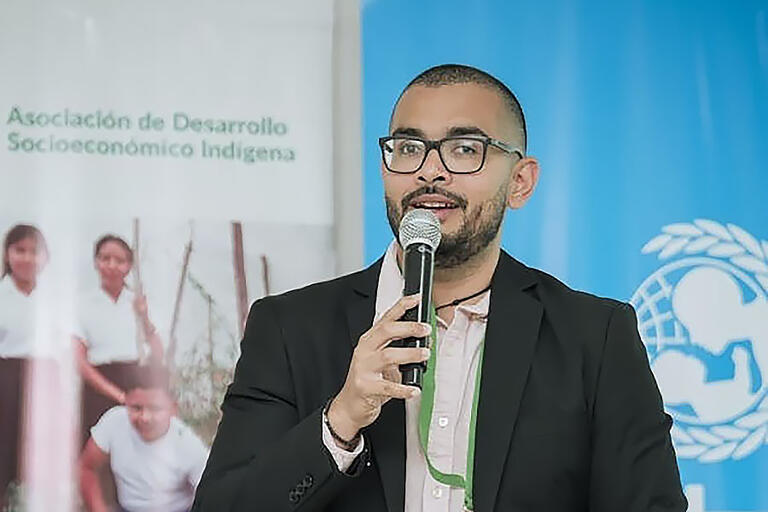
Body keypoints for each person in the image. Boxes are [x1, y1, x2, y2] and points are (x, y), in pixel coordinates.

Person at [192, 64, 687, 511]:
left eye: (465, 149)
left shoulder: (593, 337)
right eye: (408, 148)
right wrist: (340, 421)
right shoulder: (290, 328)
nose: (430, 170)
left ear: (520, 182)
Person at [80, 366, 209, 512]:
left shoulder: (190, 447)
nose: (145, 417)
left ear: (173, 409)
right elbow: (87, 467)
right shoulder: (114, 421)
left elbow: (212, 499)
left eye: (155, 408)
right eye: (136, 408)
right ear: (126, 402)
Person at [75, 234, 164, 442]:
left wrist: (144, 317)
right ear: (96, 262)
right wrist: (117, 395)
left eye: (120, 260)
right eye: (105, 259)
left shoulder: (139, 302)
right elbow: (79, 360)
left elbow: (158, 353)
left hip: (137, 383)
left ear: (129, 265)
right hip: (97, 386)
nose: (112, 265)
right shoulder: (82, 304)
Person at [0, 224, 50, 503]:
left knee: (39, 460)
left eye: (35, 252)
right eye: (20, 250)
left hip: (45, 381)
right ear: (7, 254)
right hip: (6, 380)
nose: (28, 258)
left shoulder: (53, 298)